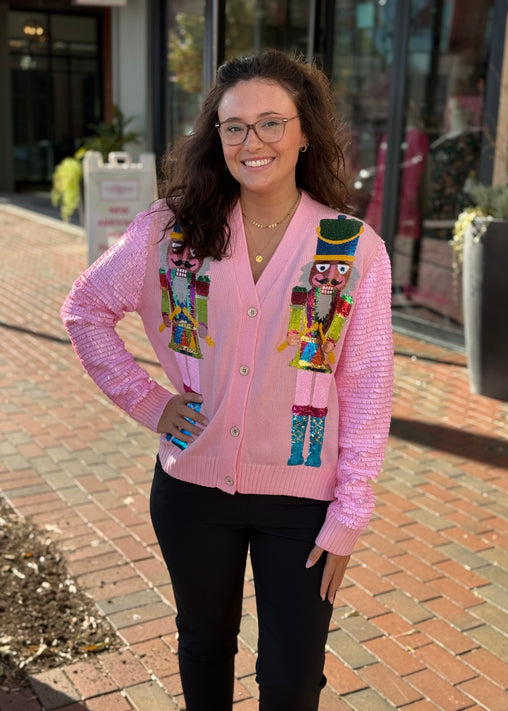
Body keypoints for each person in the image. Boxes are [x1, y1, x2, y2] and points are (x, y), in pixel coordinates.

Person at [61, 49, 394, 711]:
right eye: (234, 125)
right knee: (205, 647)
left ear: (304, 132)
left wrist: (349, 514)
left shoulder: (351, 247)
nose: (253, 141)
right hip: (191, 493)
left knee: (290, 680)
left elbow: (365, 387)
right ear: (216, 135)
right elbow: (85, 308)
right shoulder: (171, 230)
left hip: (302, 506)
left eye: (272, 123)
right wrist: (150, 402)